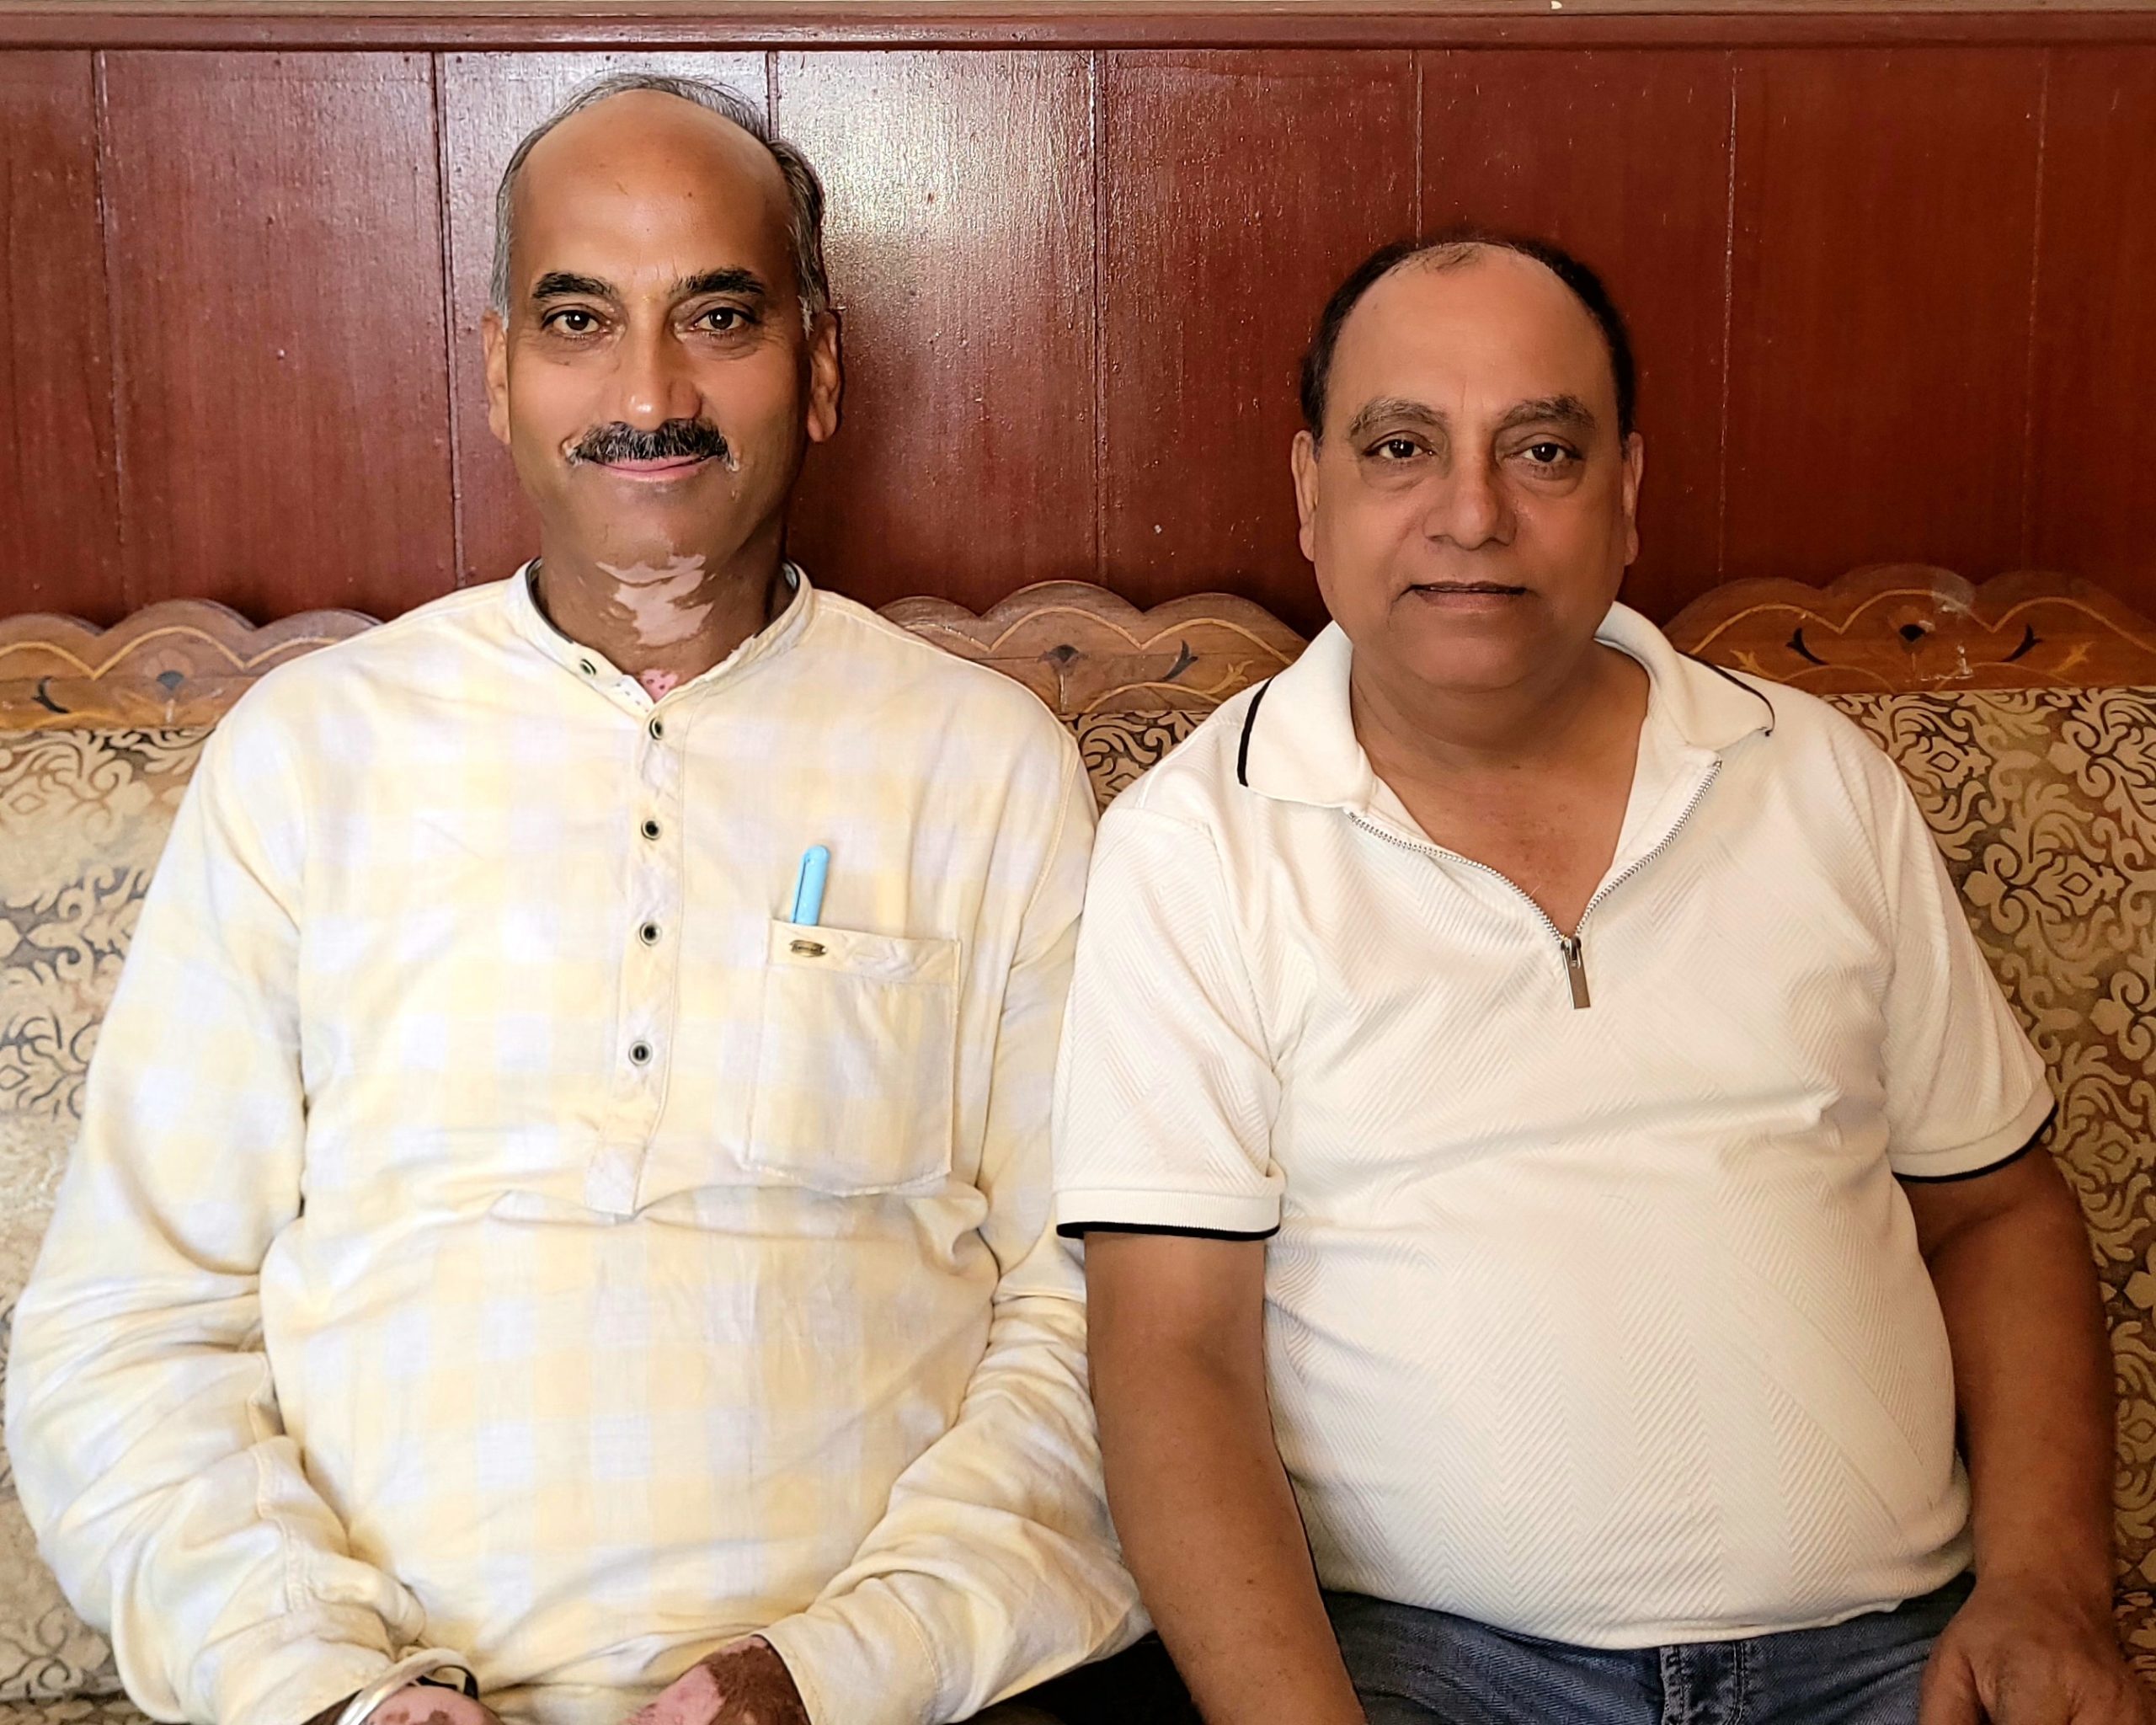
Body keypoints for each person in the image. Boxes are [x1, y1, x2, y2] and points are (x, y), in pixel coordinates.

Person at [7, 72, 1150, 1725]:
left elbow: (1100, 1313)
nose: (649, 393)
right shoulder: (315, 754)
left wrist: (835, 1672)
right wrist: (327, 1688)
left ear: (821, 368)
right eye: (577, 320)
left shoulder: (979, 765)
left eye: (720, 318)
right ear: (497, 372)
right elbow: (131, 1322)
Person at [1051, 230, 2151, 1725]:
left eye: (1543, 451)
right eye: (1401, 447)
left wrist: (2046, 1588)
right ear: (1311, 493)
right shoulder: (1197, 843)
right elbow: (1169, 1351)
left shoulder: (1815, 780)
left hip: (1890, 1660)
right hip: (1431, 1670)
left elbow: (1997, 1211)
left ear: (1626, 493)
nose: (1473, 514)